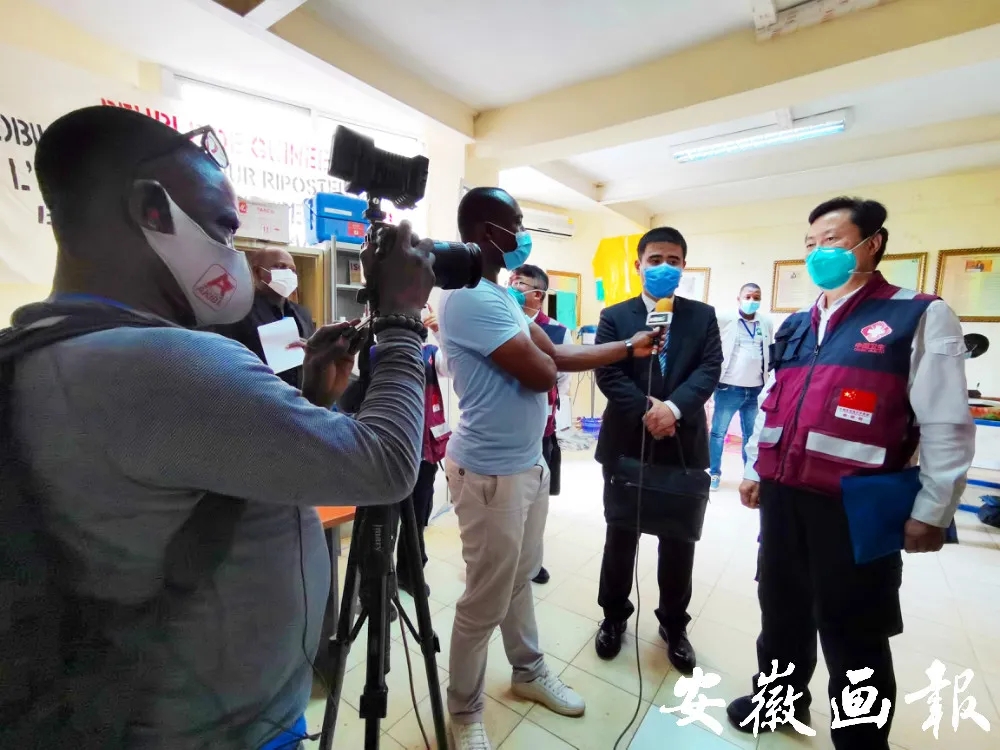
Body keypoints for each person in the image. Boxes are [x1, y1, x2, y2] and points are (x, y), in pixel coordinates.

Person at [0, 106, 434, 749]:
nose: (236, 254)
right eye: (226, 229)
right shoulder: (168, 362)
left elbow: (192, 475)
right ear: (152, 210)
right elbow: (388, 466)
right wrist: (400, 320)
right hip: (219, 730)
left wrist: (310, 398)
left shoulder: (37, 347)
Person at [726, 197, 976, 750]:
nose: (819, 252)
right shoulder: (798, 323)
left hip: (859, 504)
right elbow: (772, 402)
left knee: (854, 629)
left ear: (872, 243)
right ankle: (777, 704)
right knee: (782, 610)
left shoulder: (919, 314)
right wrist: (754, 467)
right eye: (811, 244)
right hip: (785, 496)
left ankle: (861, 742)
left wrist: (934, 510)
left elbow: (946, 422)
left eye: (833, 240)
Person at [437, 187, 662, 750]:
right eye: (515, 223)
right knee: (484, 598)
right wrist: (546, 354)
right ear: (487, 231)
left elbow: (556, 355)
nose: (523, 234)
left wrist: (627, 348)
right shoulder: (468, 298)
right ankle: (464, 710)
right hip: (489, 472)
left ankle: (528, 671)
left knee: (519, 579)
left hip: (526, 464)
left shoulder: (501, 295)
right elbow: (541, 374)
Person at [593, 226, 723, 674]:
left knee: (678, 540)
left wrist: (672, 409)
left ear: (684, 266)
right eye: (655, 259)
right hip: (626, 441)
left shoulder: (703, 316)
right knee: (620, 535)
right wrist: (648, 410)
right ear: (639, 265)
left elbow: (709, 369)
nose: (664, 267)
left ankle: (673, 624)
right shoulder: (615, 316)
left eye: (673, 260)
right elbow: (608, 373)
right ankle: (613, 616)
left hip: (682, 443)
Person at [509, 263, 570, 586]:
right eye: (511, 281)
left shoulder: (557, 332)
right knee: (508, 500)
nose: (512, 288)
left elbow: (562, 382)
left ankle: (533, 560)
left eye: (520, 284)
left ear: (538, 295)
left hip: (540, 430)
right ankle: (508, 560)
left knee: (535, 501)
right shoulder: (501, 322)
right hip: (506, 428)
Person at [394, 304, 451, 597]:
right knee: (384, 520)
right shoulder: (379, 350)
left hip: (424, 450)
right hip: (391, 449)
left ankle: (410, 572)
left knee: (417, 516)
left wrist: (442, 332)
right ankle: (377, 583)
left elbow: (453, 365)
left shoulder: (431, 353)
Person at [210, 247, 316, 388]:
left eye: (292, 270)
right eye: (280, 266)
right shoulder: (237, 311)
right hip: (255, 392)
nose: (288, 273)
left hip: (298, 393)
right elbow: (223, 359)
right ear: (257, 272)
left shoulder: (303, 314)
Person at [709, 283, 774, 491]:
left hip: (756, 389)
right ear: (739, 299)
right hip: (729, 388)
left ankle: (750, 476)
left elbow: (768, 351)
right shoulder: (724, 318)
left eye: (756, 297)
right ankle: (714, 473)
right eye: (748, 297)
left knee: (752, 436)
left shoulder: (765, 322)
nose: (752, 301)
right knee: (718, 433)